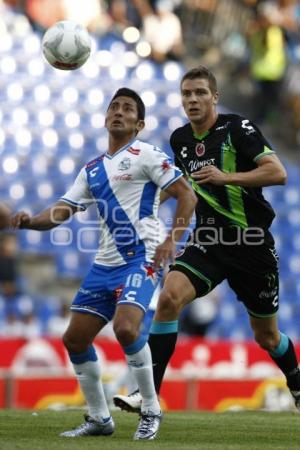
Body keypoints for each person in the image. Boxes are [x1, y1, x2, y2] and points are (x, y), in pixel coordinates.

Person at [9, 87, 197, 440]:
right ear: (105, 118)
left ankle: (151, 409)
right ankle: (99, 419)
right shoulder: (92, 170)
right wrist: (31, 220)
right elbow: (62, 210)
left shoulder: (147, 154)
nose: (119, 112)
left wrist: (172, 239)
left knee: (126, 328)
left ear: (139, 123)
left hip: (143, 255)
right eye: (114, 107)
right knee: (75, 339)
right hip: (104, 264)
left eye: (127, 108)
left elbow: (187, 194)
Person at [113, 66, 300, 415]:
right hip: (209, 241)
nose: (193, 99)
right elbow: (180, 183)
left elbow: (278, 172)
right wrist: (142, 205)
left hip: (252, 245)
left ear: (214, 97)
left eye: (200, 93)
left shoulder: (237, 129)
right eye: (187, 94)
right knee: (169, 295)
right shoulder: (180, 139)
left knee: (267, 337)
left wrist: (225, 176)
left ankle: (296, 379)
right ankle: (146, 393)